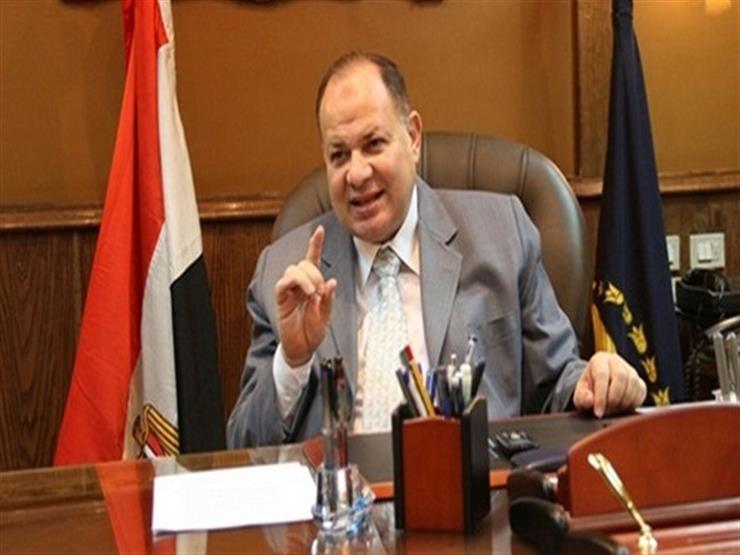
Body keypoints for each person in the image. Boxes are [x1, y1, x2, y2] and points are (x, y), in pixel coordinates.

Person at [227, 52, 646, 448]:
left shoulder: (502, 234)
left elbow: (557, 379)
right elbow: (244, 444)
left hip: (477, 489)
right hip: (338, 496)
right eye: (339, 155)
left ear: (412, 137)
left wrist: (596, 381)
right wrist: (293, 362)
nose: (356, 173)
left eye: (373, 144)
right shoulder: (282, 271)